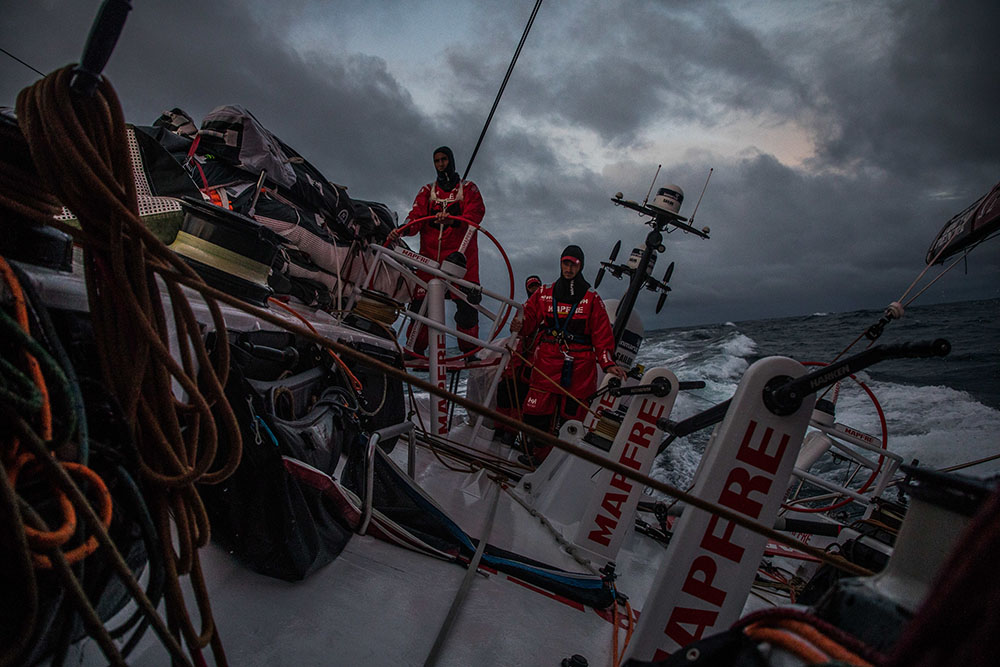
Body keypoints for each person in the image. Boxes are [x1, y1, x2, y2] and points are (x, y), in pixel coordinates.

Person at [511, 245, 627, 463]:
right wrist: (519, 324)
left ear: (580, 266)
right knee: (535, 414)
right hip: (547, 359)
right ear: (560, 264)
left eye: (573, 264)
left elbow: (602, 334)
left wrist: (607, 363)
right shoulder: (544, 293)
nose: (569, 268)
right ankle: (539, 456)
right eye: (565, 263)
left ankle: (560, 464)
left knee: (571, 419)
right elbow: (529, 319)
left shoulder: (592, 299)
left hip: (580, 365)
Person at [388, 146, 486, 356]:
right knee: (420, 309)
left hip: (462, 263)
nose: (441, 164)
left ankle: (470, 353)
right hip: (430, 262)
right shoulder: (427, 191)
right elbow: (415, 217)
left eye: (444, 160)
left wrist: (453, 219)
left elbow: (476, 213)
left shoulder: (468, 189)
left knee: (467, 312)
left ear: (451, 160)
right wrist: (401, 231)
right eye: (437, 161)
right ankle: (415, 351)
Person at [494, 274, 545, 445]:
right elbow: (515, 330)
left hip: (533, 358)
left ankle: (511, 433)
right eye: (531, 287)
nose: (534, 290)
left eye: (536, 286)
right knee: (504, 389)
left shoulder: (546, 310)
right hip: (520, 354)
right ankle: (498, 430)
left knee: (520, 395)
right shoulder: (523, 309)